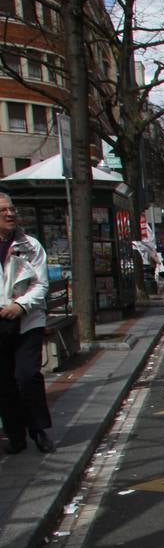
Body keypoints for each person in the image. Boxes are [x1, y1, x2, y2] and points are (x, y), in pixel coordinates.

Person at [0, 192, 54, 454]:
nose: (10, 214)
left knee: (27, 376)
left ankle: (38, 430)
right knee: (5, 382)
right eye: (3, 211)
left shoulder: (30, 245)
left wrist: (20, 305)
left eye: (12, 209)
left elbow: (41, 284)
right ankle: (15, 436)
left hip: (27, 319)